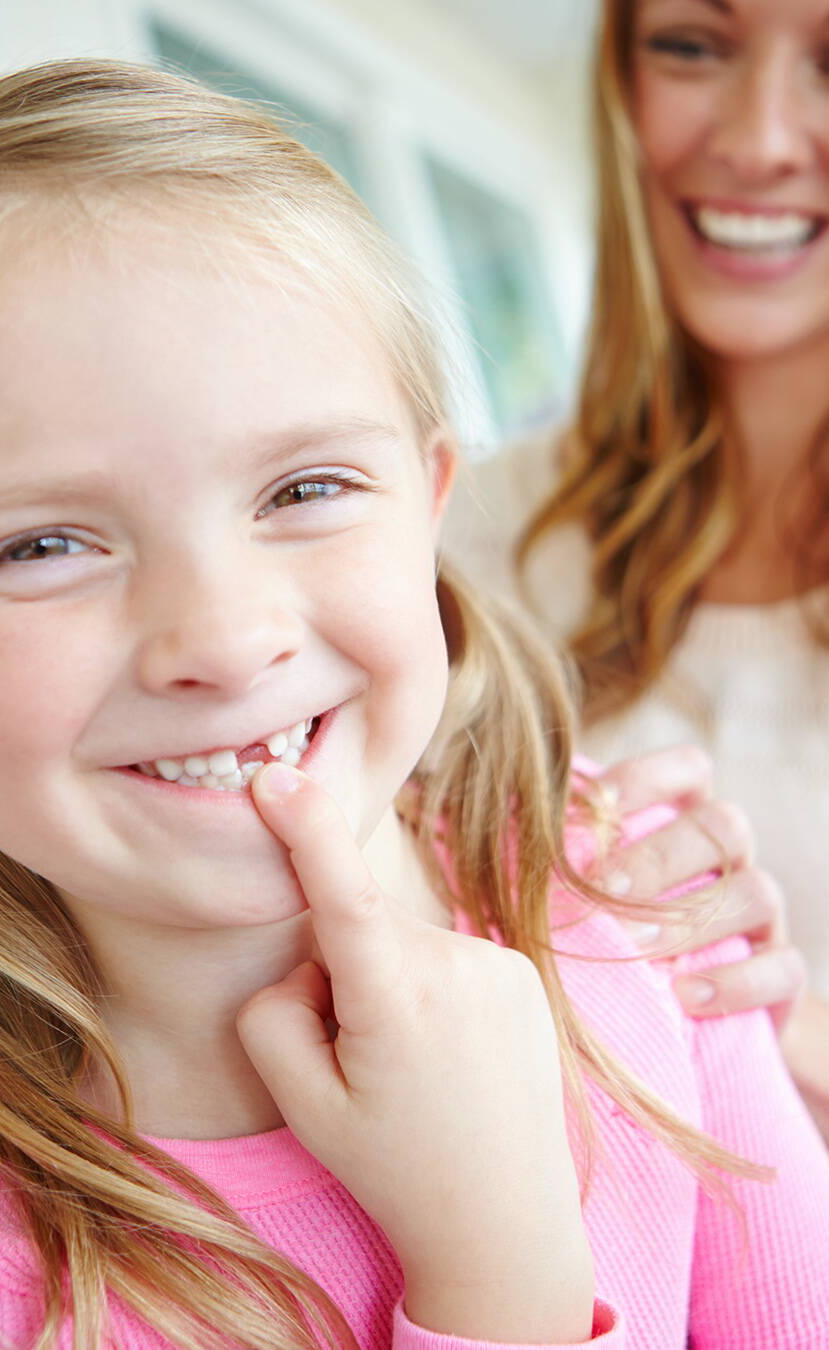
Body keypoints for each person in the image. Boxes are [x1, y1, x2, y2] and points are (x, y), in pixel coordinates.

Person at [0, 59, 828, 1350]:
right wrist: (498, 1279)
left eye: (304, 489)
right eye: (44, 544)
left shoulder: (632, 909)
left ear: (431, 508)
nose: (223, 642)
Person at [447, 0, 829, 1136]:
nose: (758, 138)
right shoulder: (466, 543)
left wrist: (786, 1052)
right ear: (618, 85)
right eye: (691, 46)